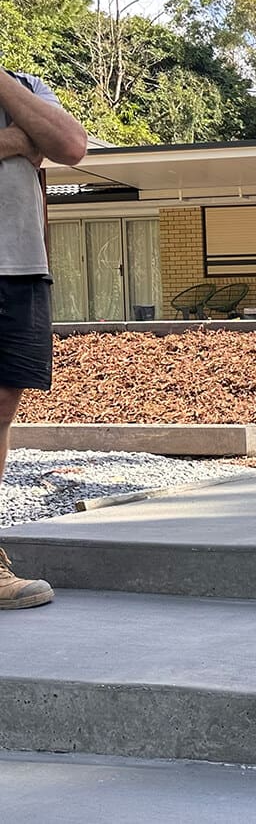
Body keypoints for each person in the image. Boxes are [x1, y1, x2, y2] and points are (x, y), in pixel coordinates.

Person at [0, 67, 86, 611]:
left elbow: (71, 145)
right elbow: (38, 144)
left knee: (1, 408)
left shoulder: (26, 86)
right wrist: (14, 140)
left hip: (19, 267)